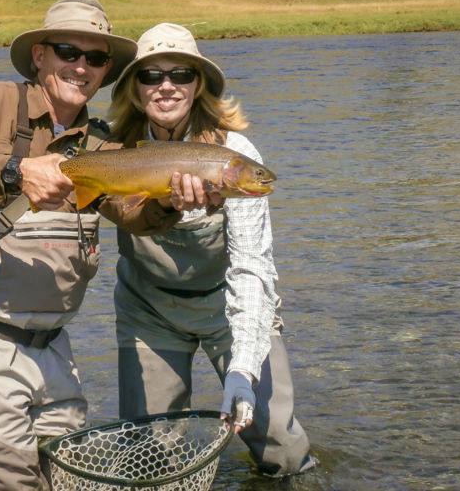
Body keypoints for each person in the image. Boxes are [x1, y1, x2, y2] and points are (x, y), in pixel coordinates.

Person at [0, 0, 205, 490]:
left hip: (55, 352)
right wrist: (17, 170)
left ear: (107, 71)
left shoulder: (101, 144)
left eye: (97, 58)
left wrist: (171, 202)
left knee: (67, 483)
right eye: (68, 51)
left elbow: (133, 216)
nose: (81, 66)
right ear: (39, 55)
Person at [107, 23, 318, 477]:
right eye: (150, 76)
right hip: (148, 311)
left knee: (280, 447)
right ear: (134, 87)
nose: (166, 86)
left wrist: (243, 369)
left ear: (198, 84)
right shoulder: (112, 149)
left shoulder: (233, 153)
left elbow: (251, 266)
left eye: (181, 74)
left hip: (227, 305)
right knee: (148, 456)